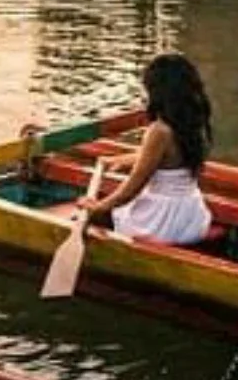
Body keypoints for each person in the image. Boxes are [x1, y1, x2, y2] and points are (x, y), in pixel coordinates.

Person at [83, 53, 214, 246]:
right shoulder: (193, 122)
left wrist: (97, 208)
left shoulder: (159, 131)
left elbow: (132, 188)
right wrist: (121, 159)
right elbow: (168, 159)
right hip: (192, 215)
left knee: (92, 214)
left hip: (163, 222)